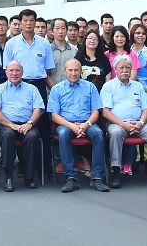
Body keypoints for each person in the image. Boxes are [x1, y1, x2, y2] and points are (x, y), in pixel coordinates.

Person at [100, 56, 147, 188]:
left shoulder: (138, 86)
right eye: (121, 67)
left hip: (137, 124)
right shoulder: (108, 86)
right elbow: (105, 112)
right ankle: (116, 172)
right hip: (117, 124)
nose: (125, 70)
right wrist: (123, 124)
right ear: (115, 69)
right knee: (116, 133)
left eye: (128, 67)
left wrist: (140, 123)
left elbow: (146, 108)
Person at [48, 59, 109, 193]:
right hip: (66, 124)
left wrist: (85, 125)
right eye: (70, 70)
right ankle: (71, 178)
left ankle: (97, 177)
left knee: (98, 134)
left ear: (81, 72)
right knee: (63, 135)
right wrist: (71, 126)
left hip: (87, 122)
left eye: (76, 70)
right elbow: (54, 116)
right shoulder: (57, 89)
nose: (74, 73)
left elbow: (95, 112)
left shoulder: (90, 87)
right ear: (65, 72)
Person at [0, 61, 44, 191]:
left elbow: (38, 109)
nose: (14, 73)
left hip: (27, 124)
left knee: (32, 137)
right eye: (11, 70)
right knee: (8, 135)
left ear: (22, 73)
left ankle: (29, 177)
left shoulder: (32, 89)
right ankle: (8, 178)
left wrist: (29, 124)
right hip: (5, 125)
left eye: (17, 70)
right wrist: (11, 125)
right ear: (6, 72)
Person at [3, 8, 55, 101]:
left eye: (31, 20)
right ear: (20, 23)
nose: (28, 23)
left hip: (40, 85)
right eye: (25, 20)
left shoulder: (44, 43)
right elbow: (7, 69)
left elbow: (47, 69)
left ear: (35, 23)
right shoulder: (11, 43)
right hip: (18, 85)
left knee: (41, 114)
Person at [49, 17, 77, 84]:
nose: (60, 31)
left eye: (63, 28)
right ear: (52, 31)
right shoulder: (47, 50)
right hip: (51, 91)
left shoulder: (74, 50)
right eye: (57, 28)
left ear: (67, 30)